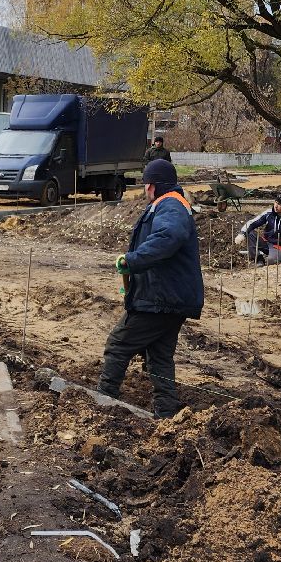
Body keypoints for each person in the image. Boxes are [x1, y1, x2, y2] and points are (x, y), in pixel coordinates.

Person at [98, 159, 203, 419]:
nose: (145, 190)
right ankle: (166, 412)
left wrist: (132, 260)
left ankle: (101, 401)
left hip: (161, 298)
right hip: (170, 296)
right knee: (159, 356)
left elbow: (169, 237)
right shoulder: (170, 204)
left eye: (146, 185)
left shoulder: (170, 205)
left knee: (118, 345)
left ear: (153, 186)